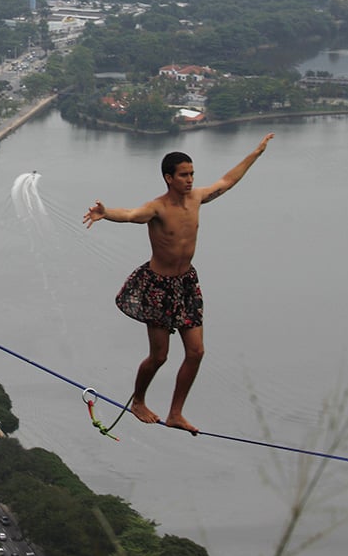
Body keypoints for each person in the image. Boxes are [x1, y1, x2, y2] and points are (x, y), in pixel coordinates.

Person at [83, 134, 274, 434]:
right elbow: (132, 215)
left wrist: (256, 154)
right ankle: (139, 402)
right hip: (158, 286)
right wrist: (107, 214)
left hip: (185, 284)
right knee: (159, 356)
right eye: (184, 175)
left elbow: (227, 181)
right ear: (168, 178)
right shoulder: (157, 208)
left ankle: (175, 413)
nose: (190, 179)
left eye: (192, 174)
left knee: (196, 352)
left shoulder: (196, 198)